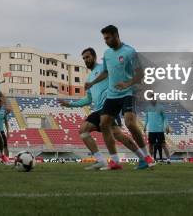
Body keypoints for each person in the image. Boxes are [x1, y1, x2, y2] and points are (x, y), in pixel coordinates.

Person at [58, 47, 143, 171]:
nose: (86, 60)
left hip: (109, 106)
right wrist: (70, 104)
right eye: (84, 58)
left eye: (88, 57)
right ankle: (101, 161)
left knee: (119, 136)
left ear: (94, 57)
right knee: (84, 130)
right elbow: (88, 99)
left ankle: (142, 157)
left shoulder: (104, 69)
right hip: (98, 110)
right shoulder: (88, 79)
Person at [85, 25, 155, 170]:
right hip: (112, 95)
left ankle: (147, 156)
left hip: (128, 92)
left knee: (130, 123)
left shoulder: (129, 52)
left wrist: (127, 83)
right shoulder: (107, 54)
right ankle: (115, 161)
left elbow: (140, 74)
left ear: (116, 35)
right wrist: (92, 82)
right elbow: (105, 73)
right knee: (104, 124)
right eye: (104, 38)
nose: (105, 41)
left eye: (108, 37)